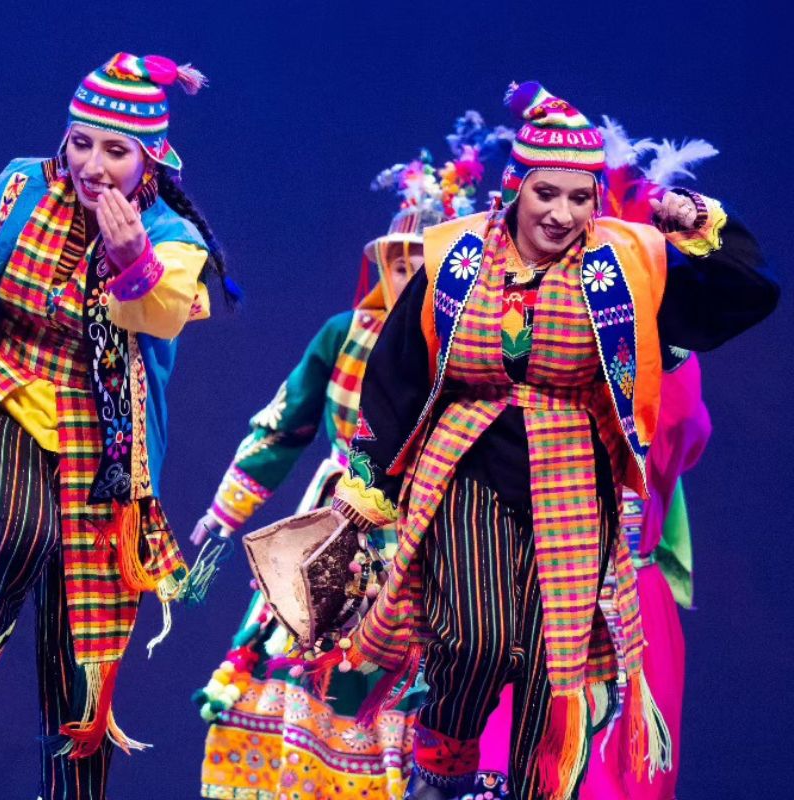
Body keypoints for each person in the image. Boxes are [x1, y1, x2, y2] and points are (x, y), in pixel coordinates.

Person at [326, 82, 776, 799]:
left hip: (572, 480)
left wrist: (700, 223)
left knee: (551, 664)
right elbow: (398, 372)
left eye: (579, 196)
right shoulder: (457, 255)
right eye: (546, 193)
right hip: (466, 468)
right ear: (515, 188)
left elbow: (742, 299)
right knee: (472, 638)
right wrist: (367, 486)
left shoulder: (627, 266)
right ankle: (442, 767)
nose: (562, 214)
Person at [0, 52, 233, 799]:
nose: (92, 163)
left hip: (103, 438)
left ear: (148, 157)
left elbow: (157, 319)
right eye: (82, 141)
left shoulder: (172, 235)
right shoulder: (20, 186)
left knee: (83, 673)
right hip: (0, 389)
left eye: (115, 150)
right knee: (18, 529)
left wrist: (132, 259)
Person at [192, 113, 509, 799]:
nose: (407, 273)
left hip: (436, 533)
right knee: (299, 659)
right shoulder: (345, 334)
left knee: (416, 685)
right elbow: (283, 425)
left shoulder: (480, 346)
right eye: (397, 260)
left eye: (421, 259)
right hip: (340, 525)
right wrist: (225, 511)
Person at [475, 121, 721, 800]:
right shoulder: (541, 336)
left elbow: (746, 296)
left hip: (615, 603)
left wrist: (697, 222)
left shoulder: (662, 358)